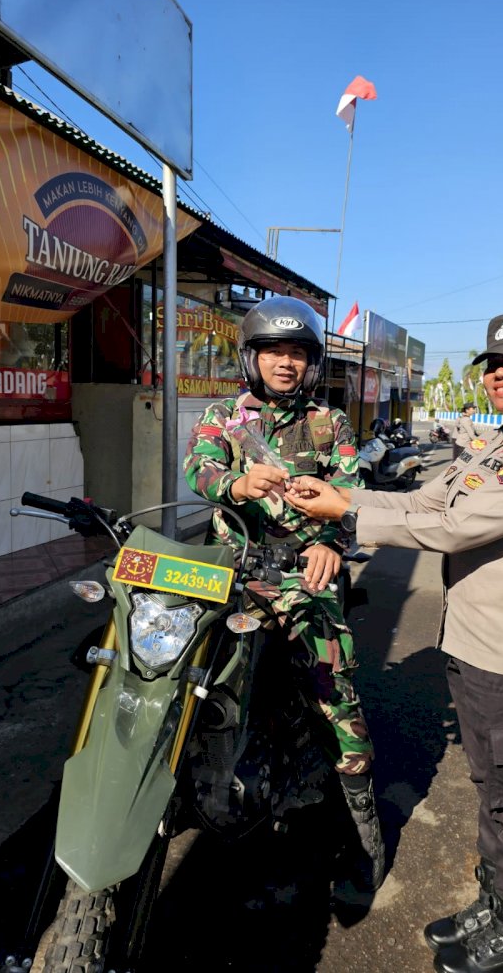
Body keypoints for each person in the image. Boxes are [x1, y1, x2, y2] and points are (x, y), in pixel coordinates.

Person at [285, 311, 503, 973]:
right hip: (478, 653)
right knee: (492, 789)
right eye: (496, 365)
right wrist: (343, 493)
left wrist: (349, 514)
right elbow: (427, 502)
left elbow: (452, 528)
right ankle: (496, 901)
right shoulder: (499, 447)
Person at [182, 296, 384, 891]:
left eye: (296, 352)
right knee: (174, 665)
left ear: (311, 362)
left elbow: (351, 492)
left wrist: (332, 544)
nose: (285, 363)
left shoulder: (330, 422)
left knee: (332, 685)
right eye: (273, 351)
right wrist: (236, 482)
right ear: (253, 358)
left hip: (303, 572)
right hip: (233, 569)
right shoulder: (224, 416)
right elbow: (198, 469)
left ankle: (360, 825)